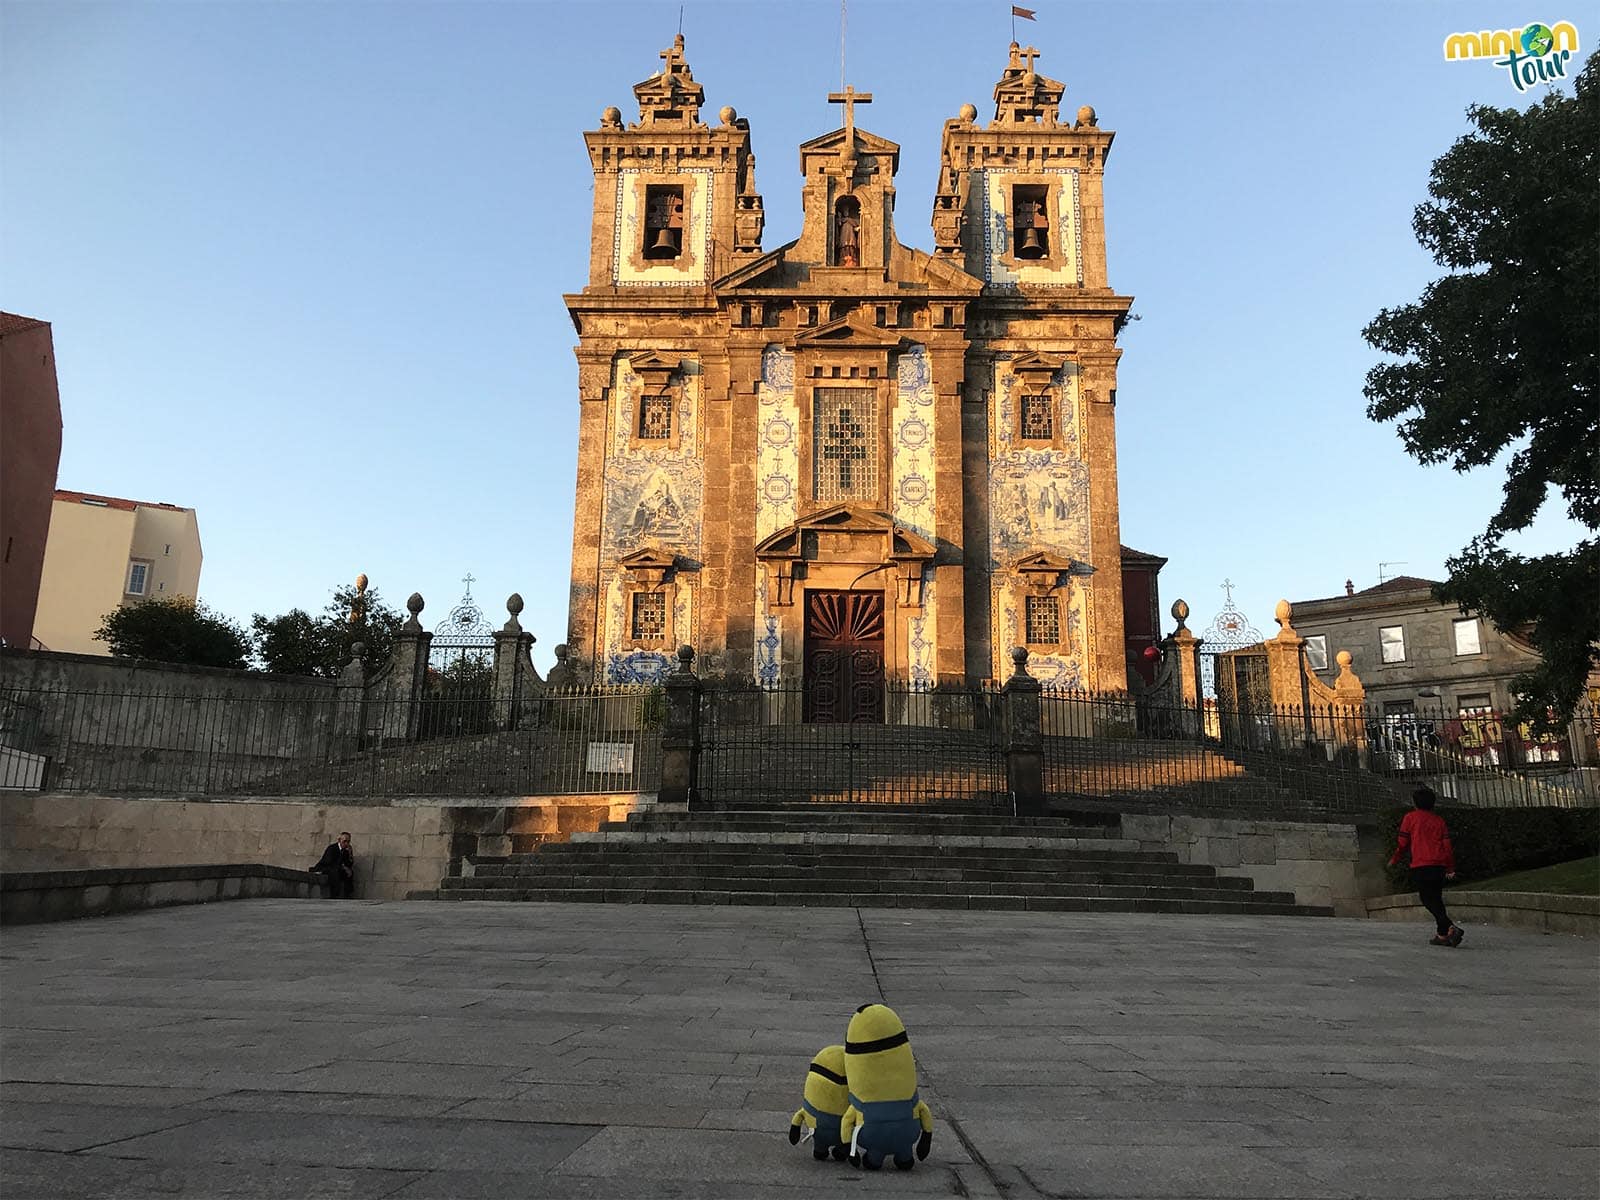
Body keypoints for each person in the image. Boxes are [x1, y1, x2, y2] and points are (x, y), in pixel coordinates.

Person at [1388, 788, 1462, 946]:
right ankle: (1442, 934)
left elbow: (1402, 843)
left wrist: (1395, 858)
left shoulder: (1410, 818)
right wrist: (1450, 868)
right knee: (1436, 898)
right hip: (1439, 864)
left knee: (1426, 898)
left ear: (1414, 803)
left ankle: (1449, 927)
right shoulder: (1438, 821)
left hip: (1421, 863)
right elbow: (1447, 847)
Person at [313, 831, 355, 899]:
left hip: (338, 868)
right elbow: (329, 862)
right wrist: (343, 867)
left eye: (348, 841)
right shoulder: (332, 848)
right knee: (335, 872)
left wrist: (350, 855)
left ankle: (348, 893)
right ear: (339, 840)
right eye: (344, 841)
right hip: (326, 867)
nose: (346, 843)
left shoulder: (346, 851)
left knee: (350, 873)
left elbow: (349, 864)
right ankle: (335, 894)